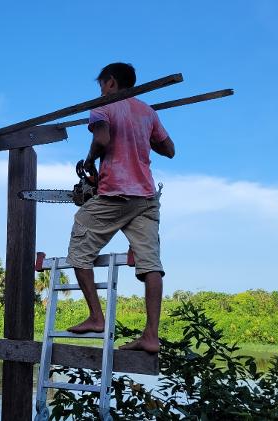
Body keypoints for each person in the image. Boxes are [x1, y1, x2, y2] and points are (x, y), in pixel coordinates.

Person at [65, 63, 175, 353]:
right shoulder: (148, 112)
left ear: (111, 83)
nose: (101, 90)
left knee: (78, 251)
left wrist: (90, 161)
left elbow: (101, 139)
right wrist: (142, 136)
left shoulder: (104, 106)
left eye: (102, 85)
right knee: (151, 264)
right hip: (146, 197)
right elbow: (169, 149)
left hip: (116, 192)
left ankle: (96, 317)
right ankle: (151, 335)